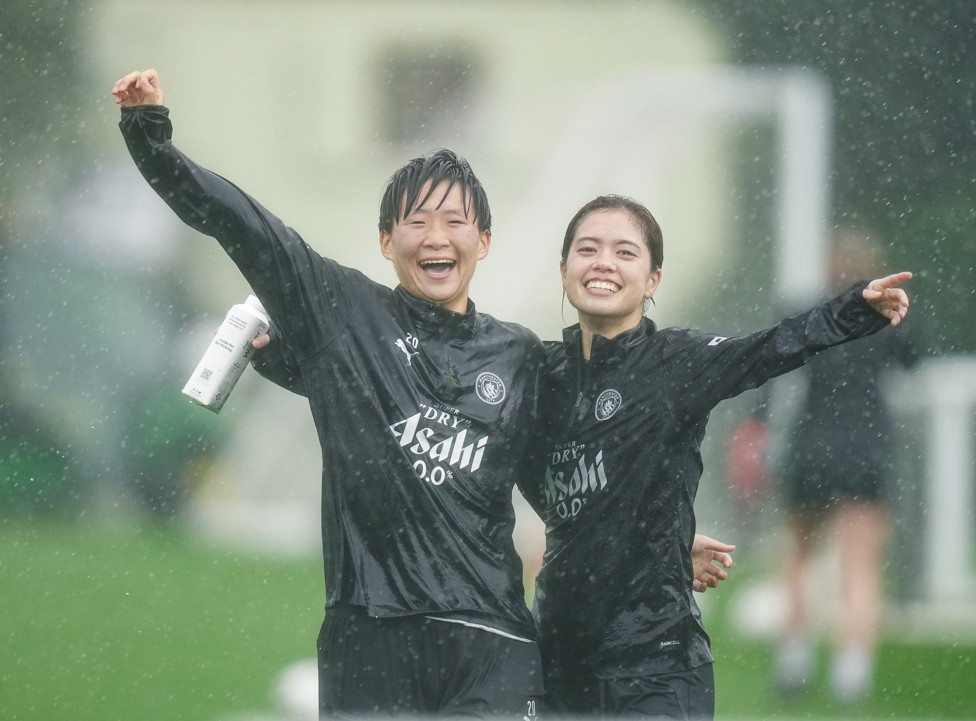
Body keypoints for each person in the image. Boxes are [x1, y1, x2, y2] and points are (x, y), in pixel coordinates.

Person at [112, 69, 548, 719]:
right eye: (417, 221)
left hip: (491, 641)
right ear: (386, 241)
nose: (436, 237)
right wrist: (149, 133)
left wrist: (665, 541)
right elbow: (242, 223)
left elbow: (577, 474)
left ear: (482, 241)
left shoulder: (521, 355)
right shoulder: (344, 311)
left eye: (455, 221)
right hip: (370, 635)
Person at [524, 196, 910, 720]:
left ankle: (842, 668)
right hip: (554, 665)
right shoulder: (539, 376)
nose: (604, 263)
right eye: (587, 249)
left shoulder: (676, 362)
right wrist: (648, 540)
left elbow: (767, 348)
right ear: (564, 268)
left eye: (625, 252)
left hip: (655, 666)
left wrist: (848, 312)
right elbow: (545, 488)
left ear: (653, 280)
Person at [771, 226, 918, 704]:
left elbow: (778, 365)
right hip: (865, 444)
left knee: (800, 556)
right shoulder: (889, 317)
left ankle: (794, 661)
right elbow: (912, 362)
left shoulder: (810, 314)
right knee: (860, 565)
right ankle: (851, 673)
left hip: (813, 442)